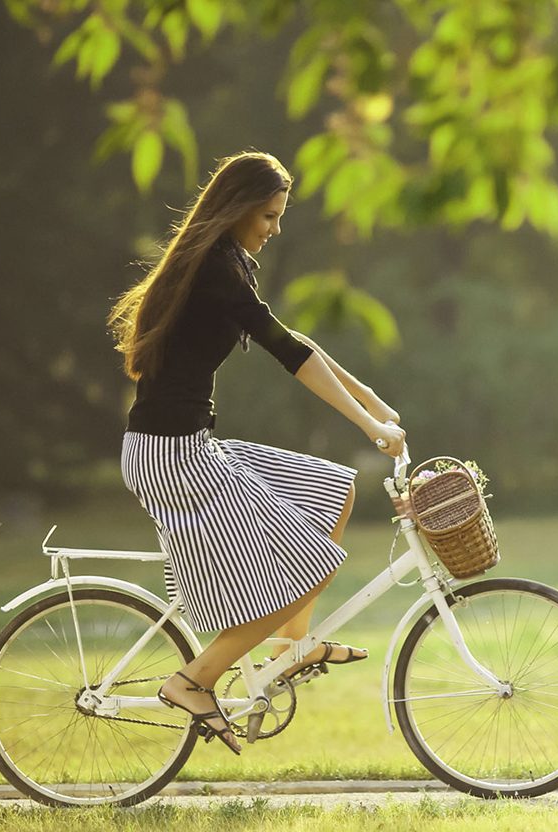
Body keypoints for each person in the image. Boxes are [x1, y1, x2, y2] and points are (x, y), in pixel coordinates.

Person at [108, 151, 406, 754]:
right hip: (171, 458)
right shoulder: (217, 269)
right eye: (269, 216)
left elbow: (292, 338)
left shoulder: (225, 264)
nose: (275, 228)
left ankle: (291, 645)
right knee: (309, 566)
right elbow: (288, 355)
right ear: (241, 210)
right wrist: (370, 425)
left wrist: (368, 394)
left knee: (335, 488)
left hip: (186, 444)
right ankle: (195, 681)